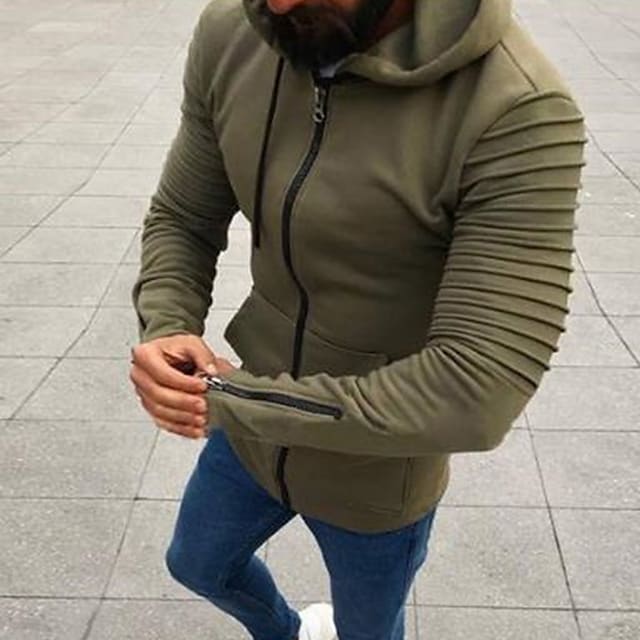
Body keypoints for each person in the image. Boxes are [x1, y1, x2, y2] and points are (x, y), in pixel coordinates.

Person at [129, 0, 586, 638]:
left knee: (369, 629)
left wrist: (232, 399)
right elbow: (183, 216)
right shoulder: (234, 34)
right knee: (198, 565)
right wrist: (168, 320)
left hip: (378, 472)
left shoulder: (518, 108)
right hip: (251, 434)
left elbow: (477, 392)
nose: (273, 5)